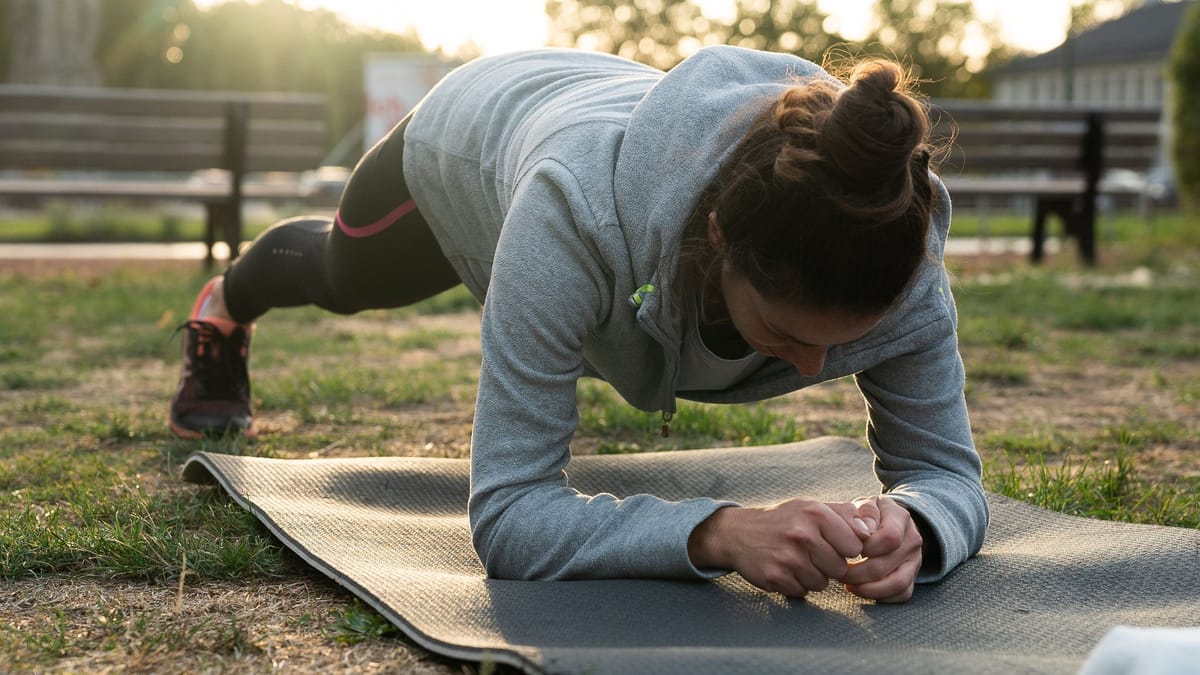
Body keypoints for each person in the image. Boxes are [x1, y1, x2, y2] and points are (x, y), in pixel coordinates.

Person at [169, 45, 988, 603]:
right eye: (785, 331)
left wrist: (918, 523)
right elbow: (510, 516)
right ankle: (224, 308)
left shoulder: (899, 258)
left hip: (621, 110)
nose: (813, 371)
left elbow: (950, 475)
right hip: (475, 129)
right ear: (718, 243)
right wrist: (718, 533)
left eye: (840, 340)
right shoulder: (572, 210)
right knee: (341, 275)